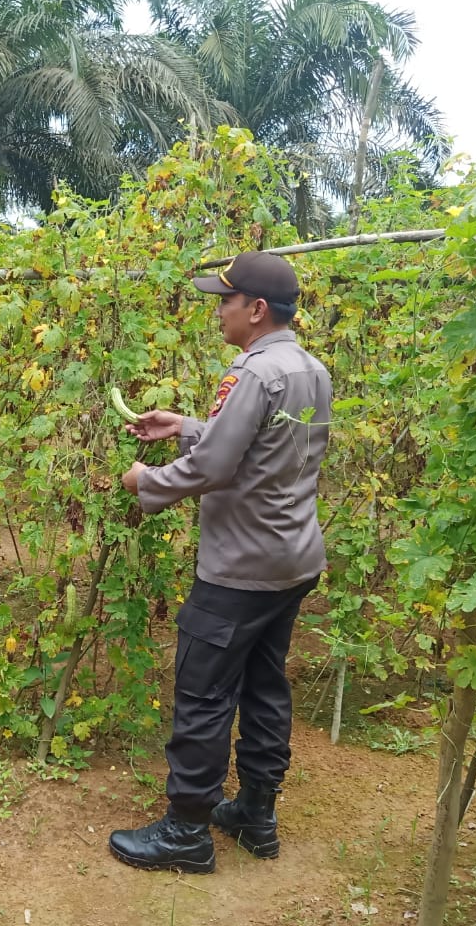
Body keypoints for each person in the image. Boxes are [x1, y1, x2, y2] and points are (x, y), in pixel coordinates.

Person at [107, 251, 332, 874]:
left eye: (225, 301)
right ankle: (256, 814)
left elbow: (217, 468)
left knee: (204, 694)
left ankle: (185, 831)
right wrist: (185, 424)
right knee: (265, 685)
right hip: (291, 560)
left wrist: (144, 482)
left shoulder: (253, 373)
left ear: (256, 310)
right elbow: (261, 448)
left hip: (239, 570)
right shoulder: (309, 368)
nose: (218, 310)